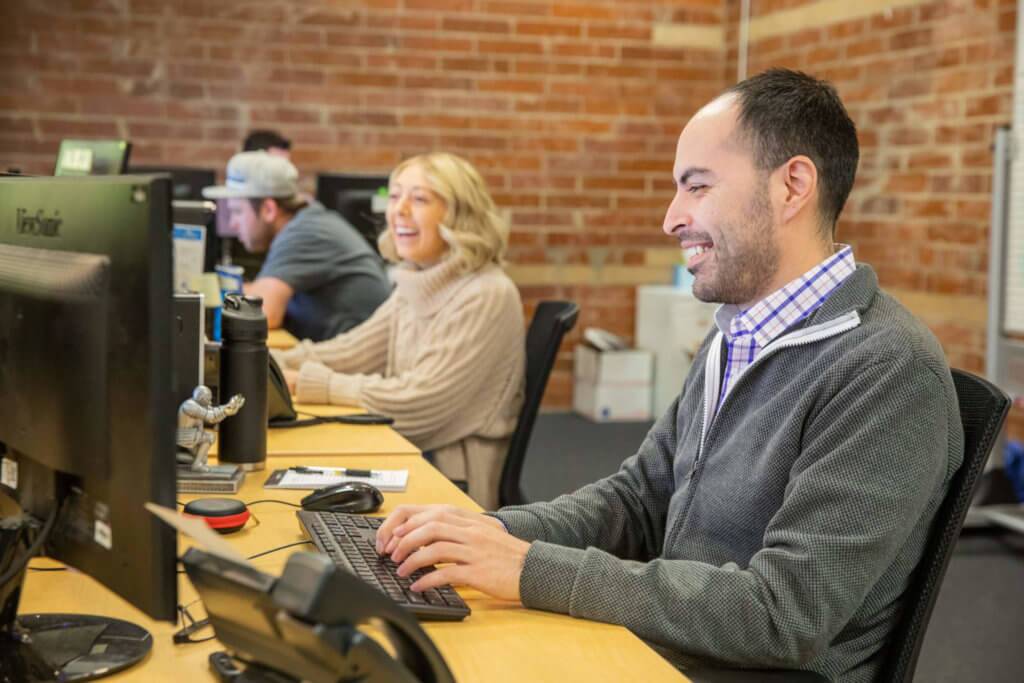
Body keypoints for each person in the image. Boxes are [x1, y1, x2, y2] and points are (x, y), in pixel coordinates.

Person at [373, 69, 964, 682]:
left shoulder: (888, 369)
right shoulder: (738, 331)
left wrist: (528, 568)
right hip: (670, 644)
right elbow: (637, 501)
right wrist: (482, 534)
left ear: (793, 186)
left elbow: (783, 615)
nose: (671, 218)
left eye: (697, 187)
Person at [273, 153, 525, 510]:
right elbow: (352, 351)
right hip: (411, 450)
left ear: (459, 214)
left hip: (449, 478)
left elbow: (420, 403)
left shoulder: (485, 293)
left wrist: (312, 382)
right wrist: (267, 360)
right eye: (394, 196)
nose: (399, 211)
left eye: (419, 199)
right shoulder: (419, 278)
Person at [203, 151, 392, 342]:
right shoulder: (303, 224)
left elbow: (262, 314)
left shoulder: (305, 233)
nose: (233, 223)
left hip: (353, 361)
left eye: (237, 211)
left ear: (269, 209)